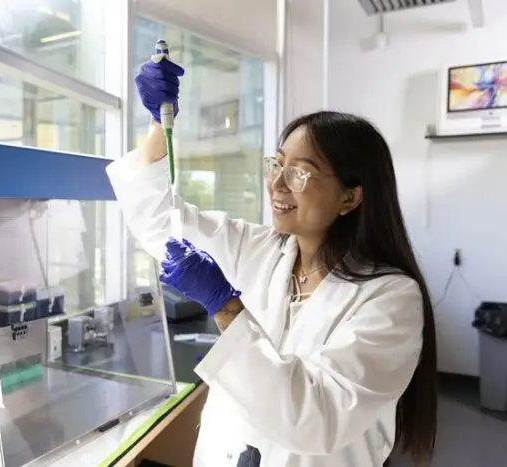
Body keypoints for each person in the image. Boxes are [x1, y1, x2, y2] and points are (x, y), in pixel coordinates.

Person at [106, 57, 438, 467]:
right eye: (277, 164)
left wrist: (226, 307)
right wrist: (161, 125)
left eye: (300, 173)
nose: (277, 184)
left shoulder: (391, 298)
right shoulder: (257, 247)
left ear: (350, 197)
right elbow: (159, 219)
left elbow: (317, 417)